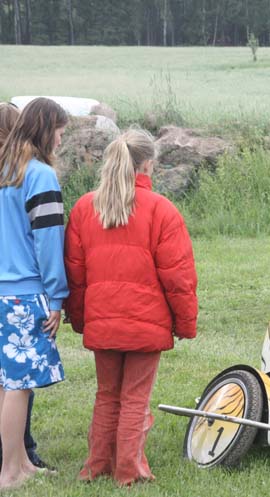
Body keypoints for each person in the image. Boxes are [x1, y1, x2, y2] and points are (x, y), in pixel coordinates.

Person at [64, 128, 198, 486]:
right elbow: (179, 277)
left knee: (107, 394)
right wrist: (185, 324)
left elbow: (75, 275)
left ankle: (96, 467)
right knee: (135, 397)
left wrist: (80, 319)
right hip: (145, 323)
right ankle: (128, 471)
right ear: (149, 164)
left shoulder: (84, 207)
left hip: (103, 321)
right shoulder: (162, 210)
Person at [0, 98, 69, 489]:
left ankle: (20, 461)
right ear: (46, 129)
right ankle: (10, 472)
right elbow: (47, 242)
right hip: (24, 294)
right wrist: (56, 297)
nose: (61, 139)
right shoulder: (39, 174)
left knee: (3, 381)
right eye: (60, 131)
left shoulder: (4, 170)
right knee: (19, 385)